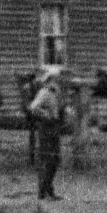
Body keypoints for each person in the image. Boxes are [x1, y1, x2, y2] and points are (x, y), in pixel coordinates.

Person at [29, 70, 64, 201]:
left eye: (57, 79)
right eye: (55, 79)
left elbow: (59, 107)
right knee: (47, 159)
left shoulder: (56, 93)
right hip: (46, 126)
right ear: (49, 80)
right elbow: (33, 107)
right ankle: (43, 191)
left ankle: (47, 189)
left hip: (54, 126)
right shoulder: (44, 93)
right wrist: (46, 115)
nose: (57, 82)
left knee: (55, 159)